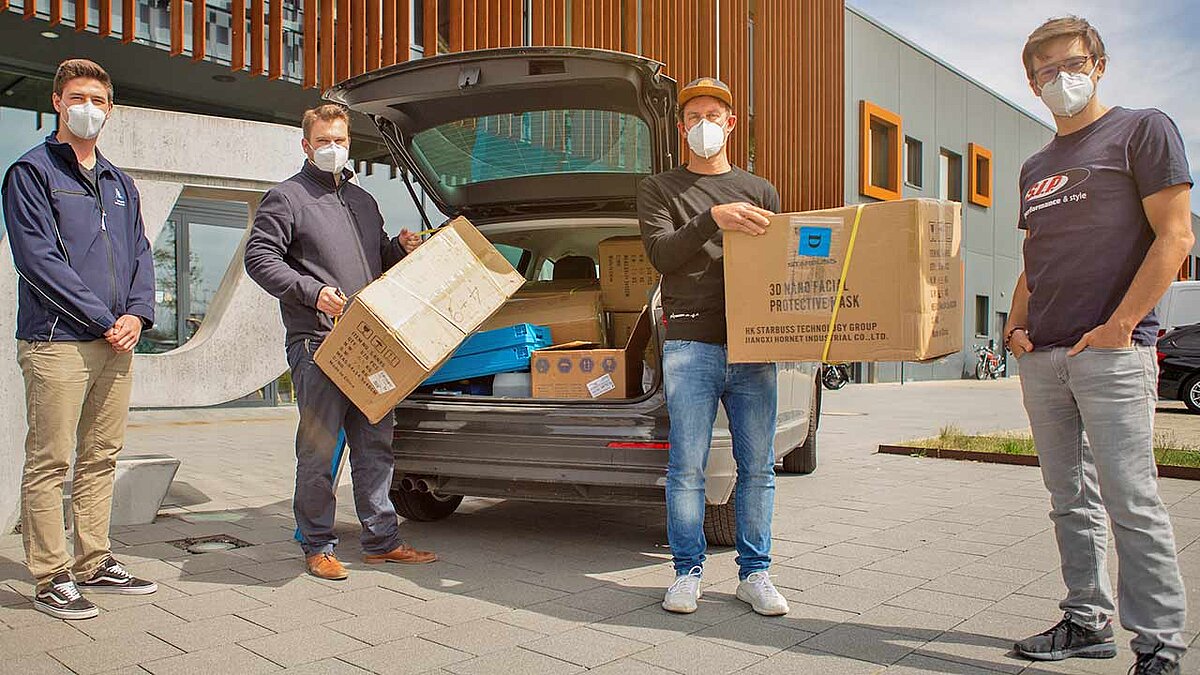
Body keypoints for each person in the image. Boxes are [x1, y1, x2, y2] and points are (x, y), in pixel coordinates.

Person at [1005, 17, 1194, 674]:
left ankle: (1161, 647)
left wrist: (1120, 326)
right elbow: (1034, 256)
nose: (1060, 78)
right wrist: (1014, 327)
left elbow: (1175, 236)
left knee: (1130, 499)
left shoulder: (1144, 130)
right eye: (1045, 71)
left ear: (1100, 63)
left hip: (1113, 353)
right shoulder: (1035, 166)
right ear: (1031, 83)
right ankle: (1086, 618)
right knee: (1069, 497)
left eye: (1071, 63)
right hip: (1044, 356)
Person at [245, 104, 436, 580]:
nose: (334, 148)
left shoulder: (364, 201)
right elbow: (260, 259)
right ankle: (317, 545)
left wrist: (399, 250)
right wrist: (313, 294)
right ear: (306, 145)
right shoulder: (286, 198)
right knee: (318, 450)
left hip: (368, 344)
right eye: (325, 140)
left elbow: (375, 260)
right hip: (317, 344)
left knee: (375, 447)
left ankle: (381, 541)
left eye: (341, 140)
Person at [2, 59, 159, 620]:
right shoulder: (31, 172)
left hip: (117, 341)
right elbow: (38, 261)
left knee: (100, 455)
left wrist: (138, 315)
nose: (87, 107)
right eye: (76, 97)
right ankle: (50, 574)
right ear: (57, 103)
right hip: (57, 342)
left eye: (96, 98)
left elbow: (141, 254)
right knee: (50, 460)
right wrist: (103, 319)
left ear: (110, 108)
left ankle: (94, 560)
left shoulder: (120, 183)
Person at [638, 78, 789, 616]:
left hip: (754, 346)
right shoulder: (659, 189)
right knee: (687, 467)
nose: (704, 124)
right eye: (694, 115)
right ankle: (687, 572)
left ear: (731, 124)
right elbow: (661, 255)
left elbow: (780, 266)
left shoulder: (761, 189)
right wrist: (711, 219)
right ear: (682, 128)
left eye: (714, 115)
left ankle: (756, 573)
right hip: (689, 344)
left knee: (759, 466)